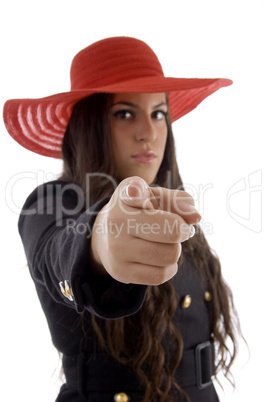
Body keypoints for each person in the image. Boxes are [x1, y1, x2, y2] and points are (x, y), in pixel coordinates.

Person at [3, 37, 240, 402]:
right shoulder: (51, 202)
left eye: (159, 113)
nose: (148, 131)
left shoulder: (168, 203)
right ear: (89, 123)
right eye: (125, 113)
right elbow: (58, 251)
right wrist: (99, 242)